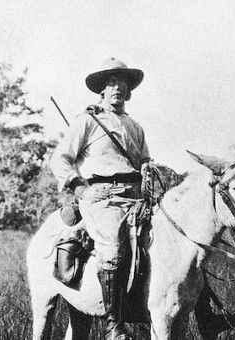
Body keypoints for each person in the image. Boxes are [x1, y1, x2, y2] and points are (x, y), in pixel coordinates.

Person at [50, 57, 149, 340]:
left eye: (123, 82)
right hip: (102, 199)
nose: (118, 87)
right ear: (102, 90)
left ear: (129, 90)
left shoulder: (135, 127)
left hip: (135, 198)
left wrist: (148, 169)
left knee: (177, 241)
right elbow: (61, 158)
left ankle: (208, 316)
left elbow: (144, 161)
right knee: (113, 248)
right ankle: (113, 325)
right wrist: (80, 189)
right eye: (111, 82)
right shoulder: (88, 120)